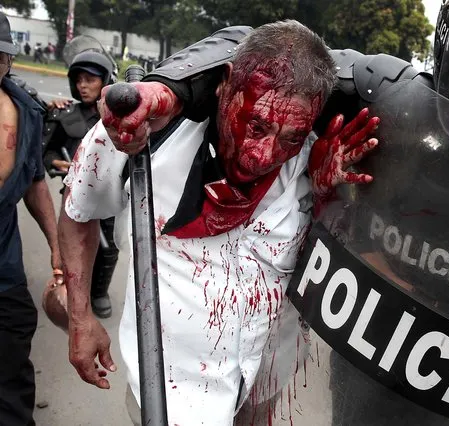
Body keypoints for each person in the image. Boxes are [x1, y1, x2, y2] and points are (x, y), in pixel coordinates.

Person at [102, 1, 449, 425]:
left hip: (446, 408)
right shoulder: (388, 102)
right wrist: (173, 88)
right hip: (338, 378)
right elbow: (264, 54)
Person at [58, 20, 377, 425]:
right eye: (256, 125)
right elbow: (77, 214)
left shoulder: (315, 157)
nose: (263, 154)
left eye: (289, 137)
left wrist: (327, 195)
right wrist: (81, 318)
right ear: (225, 84)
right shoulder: (138, 133)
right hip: (168, 398)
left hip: (262, 389)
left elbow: (322, 275)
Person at [0, 12, 62, 426]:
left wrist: (59, 248)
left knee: (11, 376)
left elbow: (35, 182)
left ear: (7, 60)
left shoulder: (26, 111)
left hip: (4, 274)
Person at [43, 50, 118, 318]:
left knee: (109, 248)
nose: (83, 86)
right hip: (73, 195)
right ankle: (75, 291)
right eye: (79, 80)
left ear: (105, 80)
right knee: (72, 244)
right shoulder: (66, 115)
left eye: (90, 80)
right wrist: (58, 165)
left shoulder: (116, 115)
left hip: (109, 195)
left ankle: (99, 291)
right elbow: (48, 151)